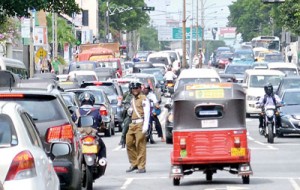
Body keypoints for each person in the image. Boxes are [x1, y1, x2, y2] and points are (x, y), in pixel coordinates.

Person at [72, 92, 106, 159]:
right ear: (92, 101)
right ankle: (102, 161)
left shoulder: (76, 112)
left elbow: (73, 123)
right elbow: (100, 123)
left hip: (80, 137)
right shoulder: (96, 111)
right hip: (93, 135)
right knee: (102, 146)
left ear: (81, 101)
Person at [125, 82, 150, 173]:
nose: (135, 90)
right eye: (133, 89)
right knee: (129, 143)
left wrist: (146, 125)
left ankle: (141, 166)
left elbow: (147, 113)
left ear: (140, 89)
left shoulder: (144, 99)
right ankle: (134, 163)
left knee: (140, 145)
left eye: (136, 88)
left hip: (140, 123)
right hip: (132, 124)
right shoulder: (132, 100)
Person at [119, 83, 133, 148]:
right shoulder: (127, 94)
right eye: (132, 88)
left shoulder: (141, 95)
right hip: (130, 112)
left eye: (135, 88)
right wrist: (123, 103)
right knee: (126, 123)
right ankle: (122, 139)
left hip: (139, 113)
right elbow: (123, 101)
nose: (134, 90)